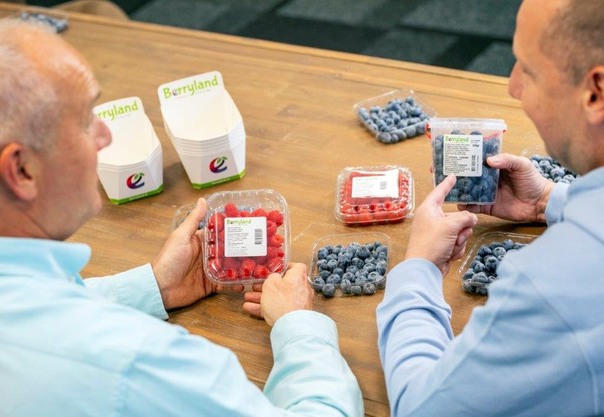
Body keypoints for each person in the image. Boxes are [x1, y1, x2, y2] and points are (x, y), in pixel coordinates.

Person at [0, 20, 363, 416]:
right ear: (22, 170)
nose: (106, 136)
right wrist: (298, 325)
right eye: (86, 120)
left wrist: (156, 286)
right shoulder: (136, 364)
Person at [376, 0, 604, 415]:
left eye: (528, 69)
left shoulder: (556, 289)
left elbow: (422, 408)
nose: (512, 86)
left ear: (596, 93)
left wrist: (417, 268)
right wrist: (546, 201)